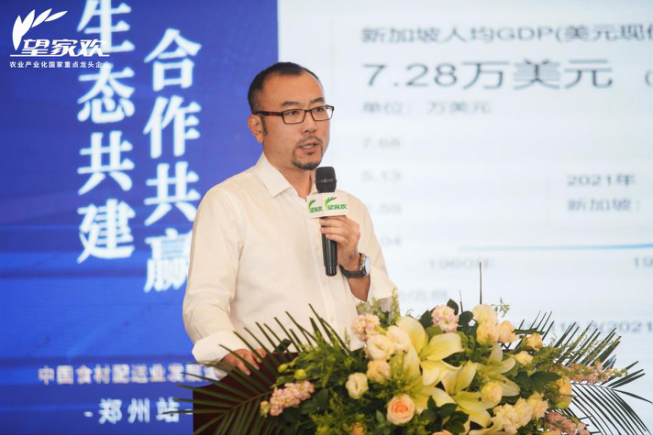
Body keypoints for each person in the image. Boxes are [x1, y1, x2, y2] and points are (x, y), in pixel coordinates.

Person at [183, 62, 396, 376]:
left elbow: (387, 319)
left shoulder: (351, 207)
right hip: (270, 387)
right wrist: (233, 353)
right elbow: (203, 301)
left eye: (318, 110)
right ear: (257, 127)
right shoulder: (230, 202)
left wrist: (354, 266)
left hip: (353, 390)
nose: (310, 125)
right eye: (292, 113)